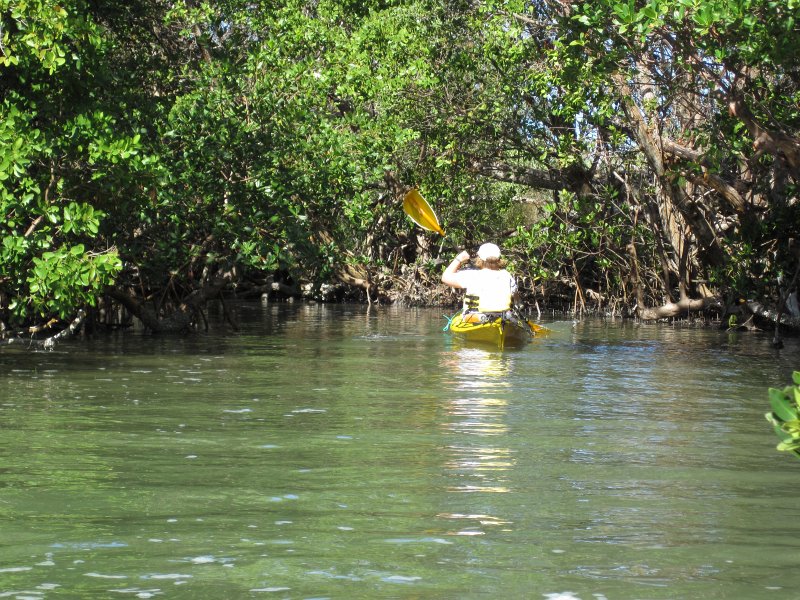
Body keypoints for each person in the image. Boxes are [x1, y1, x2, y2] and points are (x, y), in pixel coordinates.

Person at [441, 243, 519, 317]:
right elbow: (516, 298)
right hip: (503, 318)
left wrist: (459, 259)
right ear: (499, 259)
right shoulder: (507, 275)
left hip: (475, 319)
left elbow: (445, 277)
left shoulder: (472, 275)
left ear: (479, 259)